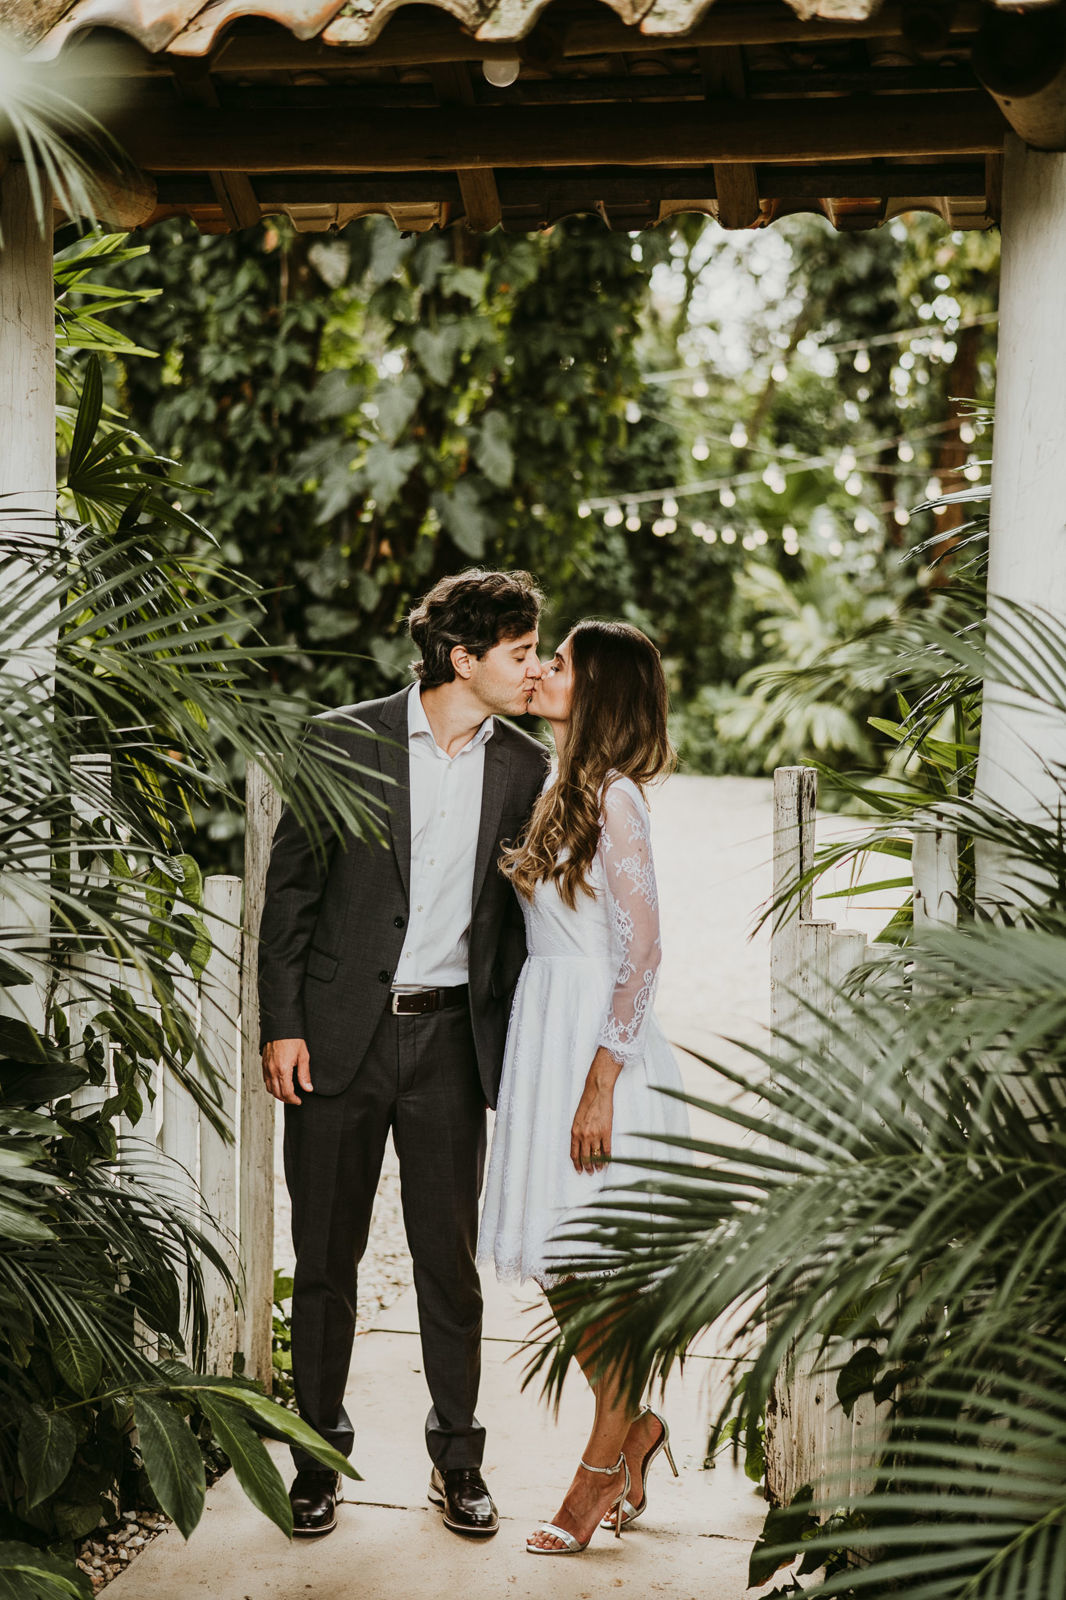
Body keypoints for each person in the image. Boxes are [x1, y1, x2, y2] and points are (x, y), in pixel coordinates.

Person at [257, 569, 550, 1538]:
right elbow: (290, 896)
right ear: (462, 657)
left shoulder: (523, 765)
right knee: (325, 1259)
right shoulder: (339, 738)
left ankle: (457, 1459)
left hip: (450, 1042)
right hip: (338, 1035)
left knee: (447, 1261)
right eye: (518, 652)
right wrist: (281, 1023)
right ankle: (316, 1460)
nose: (533, 668)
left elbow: (519, 922)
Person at [477, 618, 689, 1555]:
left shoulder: (619, 799)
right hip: (544, 1037)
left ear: (597, 689)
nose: (544, 671)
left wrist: (602, 1079)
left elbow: (642, 951)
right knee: (563, 1264)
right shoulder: (559, 785)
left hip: (597, 1052)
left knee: (599, 1270)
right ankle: (636, 1429)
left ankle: (598, 1475)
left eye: (558, 663)